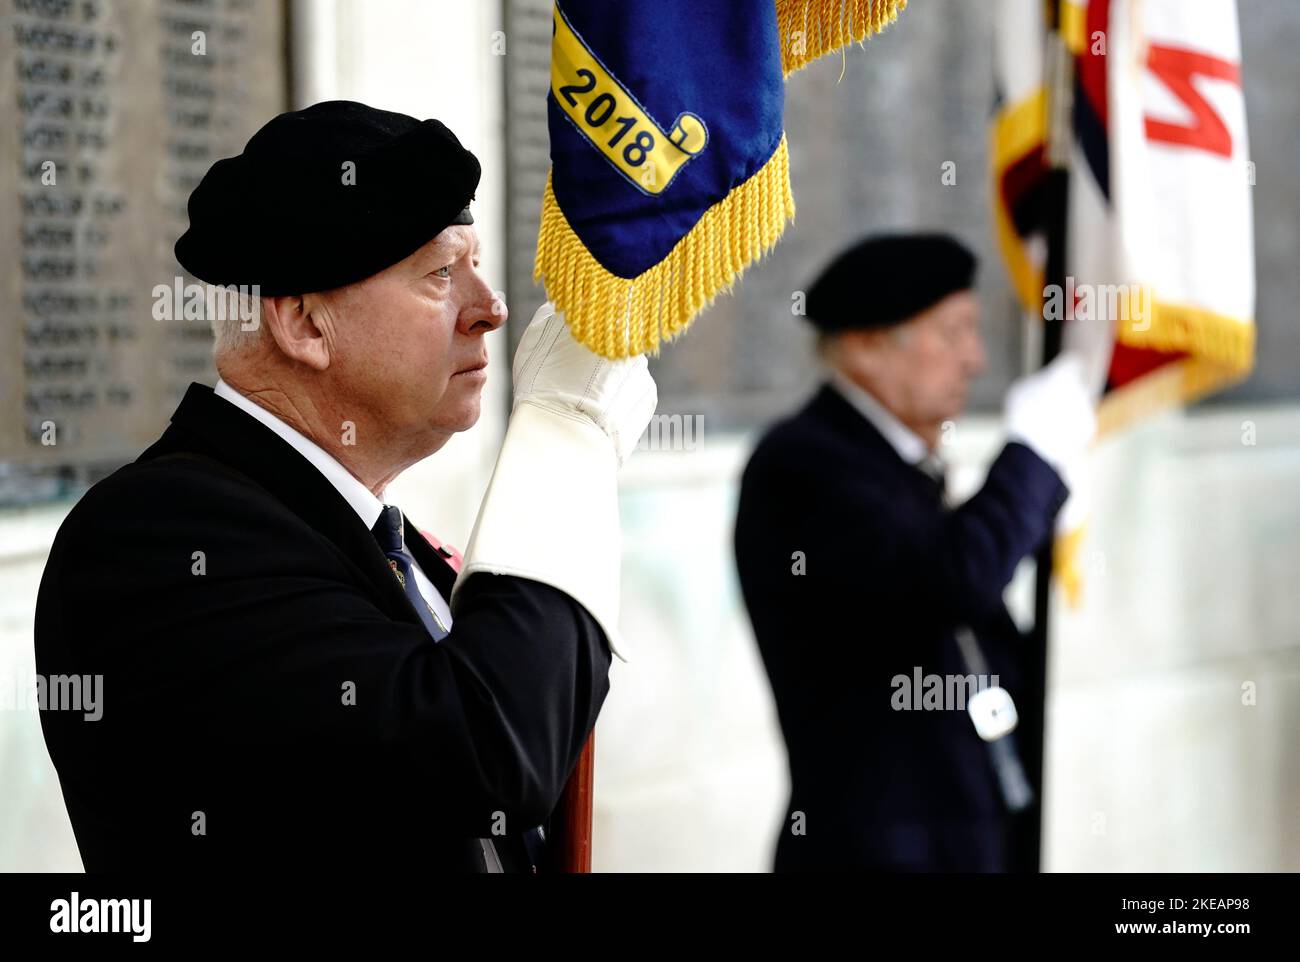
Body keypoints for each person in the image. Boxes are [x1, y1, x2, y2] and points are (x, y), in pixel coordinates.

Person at [34, 100, 657, 872]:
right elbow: (491, 752)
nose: (490, 310)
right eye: (439, 274)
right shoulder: (158, 536)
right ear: (302, 324)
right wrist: (565, 437)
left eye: (476, 265)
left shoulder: (375, 542)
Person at [733, 233, 1094, 872]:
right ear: (867, 345)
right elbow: (950, 580)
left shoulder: (899, 467)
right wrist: (1031, 461)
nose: (975, 359)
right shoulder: (804, 464)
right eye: (952, 334)